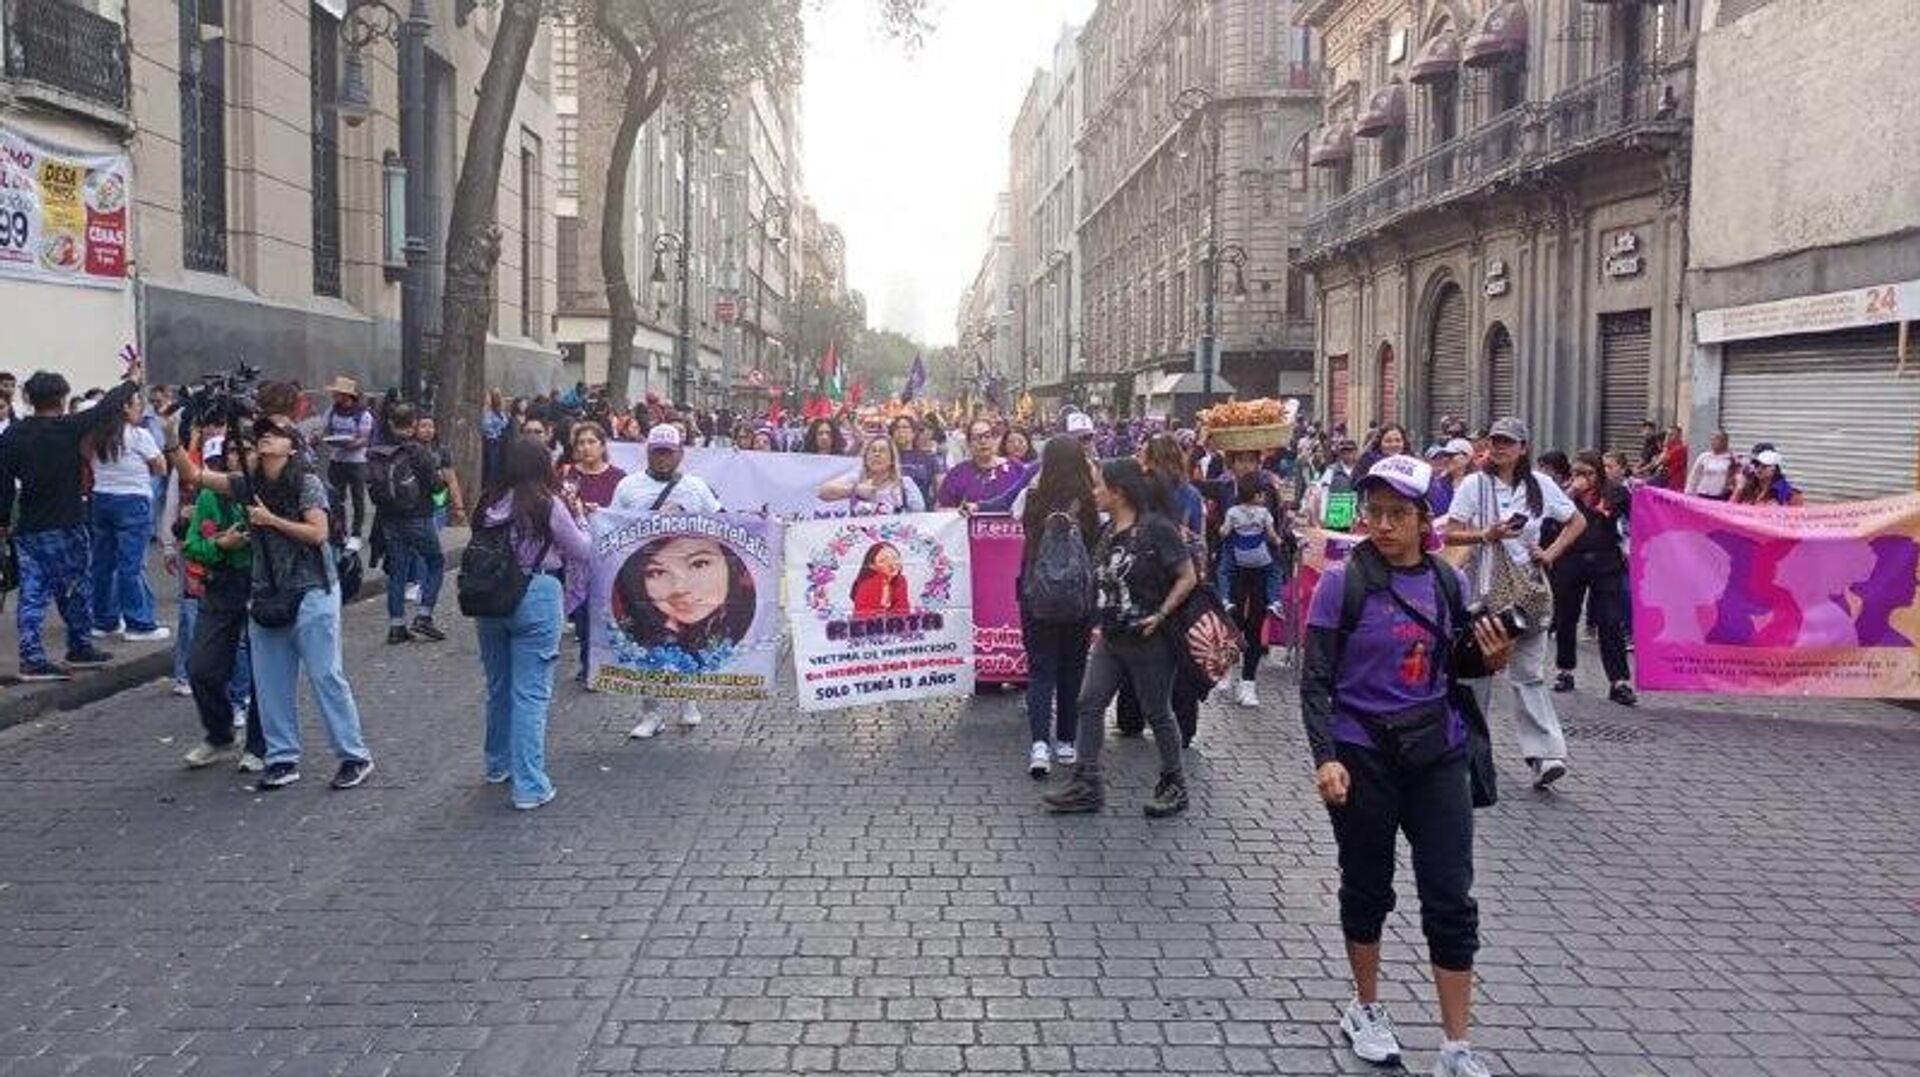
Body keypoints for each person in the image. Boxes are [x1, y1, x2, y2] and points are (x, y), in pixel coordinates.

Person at [1301, 454, 1512, 1077]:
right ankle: (1365, 1007)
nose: (1384, 525)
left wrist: (1491, 660)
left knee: (1450, 896)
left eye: (1399, 514)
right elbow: (1315, 682)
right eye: (1376, 513)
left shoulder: (1448, 584)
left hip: (1437, 752)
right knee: (1368, 886)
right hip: (1363, 752)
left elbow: (1456, 667)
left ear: (1427, 521)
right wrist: (1326, 759)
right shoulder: (1345, 583)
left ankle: (1456, 1046)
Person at [171, 420, 373, 791]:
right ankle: (281, 758)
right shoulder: (246, 484)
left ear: (291, 448)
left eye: (275, 434)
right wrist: (173, 438)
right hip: (266, 595)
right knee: (270, 680)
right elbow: (193, 474)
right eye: (261, 433)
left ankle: (354, 756)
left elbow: (318, 533)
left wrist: (270, 520)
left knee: (325, 675)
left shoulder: (306, 482)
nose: (265, 436)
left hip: (312, 589)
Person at [1041, 457, 1197, 819]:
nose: (1094, 492)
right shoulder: (1110, 529)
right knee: (1089, 702)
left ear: (1118, 492)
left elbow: (1187, 576)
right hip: (1112, 637)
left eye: (1099, 486)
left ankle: (1175, 784)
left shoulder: (1157, 528)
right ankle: (1087, 783)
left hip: (1149, 638)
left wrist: (1161, 614)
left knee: (1157, 712)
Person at [1442, 417, 1585, 789]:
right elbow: (1451, 532)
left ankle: (1545, 755)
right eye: (1495, 441)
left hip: (1529, 594)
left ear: (1523, 448)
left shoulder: (1542, 485)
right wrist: (1486, 535)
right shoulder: (1476, 484)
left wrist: (1549, 552)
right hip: (1486, 594)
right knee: (1477, 677)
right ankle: (1469, 752)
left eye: (1508, 442)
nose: (1500, 447)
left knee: (1530, 675)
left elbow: (1576, 521)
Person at [471, 437, 590, 810]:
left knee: (499, 685)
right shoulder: (546, 503)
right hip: (535, 591)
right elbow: (582, 550)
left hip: (488, 596)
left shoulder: (488, 502)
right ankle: (530, 784)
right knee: (531, 694)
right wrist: (583, 520)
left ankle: (497, 764)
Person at [0, 371, 141, 680]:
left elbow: (4, 483)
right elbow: (109, 406)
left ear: (28, 398)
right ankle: (78, 645)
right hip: (67, 522)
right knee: (76, 587)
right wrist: (132, 379)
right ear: (62, 399)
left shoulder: (12, 435)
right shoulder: (68, 428)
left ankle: (32, 657)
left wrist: (2, 521)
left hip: (29, 524)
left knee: (32, 593)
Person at [610, 423, 724, 739]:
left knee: (687, 637)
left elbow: (723, 521)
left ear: (680, 454)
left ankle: (689, 701)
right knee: (647, 643)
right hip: (640, 581)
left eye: (668, 453)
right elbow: (612, 526)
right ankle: (651, 713)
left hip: (685, 580)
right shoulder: (628, 487)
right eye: (657, 452)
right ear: (647, 452)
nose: (662, 459)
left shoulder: (697, 487)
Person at [179, 432, 265, 772]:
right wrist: (220, 545)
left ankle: (260, 743)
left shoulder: (265, 491)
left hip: (260, 585)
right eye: (232, 450)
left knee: (263, 668)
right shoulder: (209, 497)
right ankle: (220, 734)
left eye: (245, 450)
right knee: (201, 667)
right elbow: (193, 545)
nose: (237, 456)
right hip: (221, 585)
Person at [1016, 435, 1099, 778]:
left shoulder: (1034, 497)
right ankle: (1066, 741)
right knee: (1072, 668)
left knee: (1040, 670)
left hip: (1038, 592)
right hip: (1079, 597)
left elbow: (1017, 518)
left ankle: (1039, 745)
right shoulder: (1091, 502)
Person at [84, 389, 171, 642]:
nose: (140, 409)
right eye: (136, 404)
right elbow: (161, 466)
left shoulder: (95, 436)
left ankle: (104, 620)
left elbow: (87, 457)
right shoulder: (139, 435)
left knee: (102, 563)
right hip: (133, 500)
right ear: (124, 407)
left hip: (101, 498)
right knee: (130, 565)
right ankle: (139, 623)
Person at [1551, 452, 1636, 707]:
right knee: (1566, 617)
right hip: (1571, 560)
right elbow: (1552, 520)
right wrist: (1569, 495)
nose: (1582, 479)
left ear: (1598, 473)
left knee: (1610, 620)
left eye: (1588, 473)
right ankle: (1565, 670)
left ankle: (1618, 681)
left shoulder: (1615, 491)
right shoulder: (1564, 494)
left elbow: (1609, 513)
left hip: (1605, 561)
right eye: (1577, 473)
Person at [372, 404, 449, 645]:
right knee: (436, 561)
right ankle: (424, 616)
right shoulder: (419, 452)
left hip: (389, 520)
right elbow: (437, 486)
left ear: (392, 423)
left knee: (398, 571)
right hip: (419, 516)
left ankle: (396, 626)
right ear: (414, 424)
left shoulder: (379, 451)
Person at [1223, 473, 1285, 707]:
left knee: (1256, 625)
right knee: (1234, 621)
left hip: (1261, 570)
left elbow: (1276, 535)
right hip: (1236, 570)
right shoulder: (1226, 491)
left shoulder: (1270, 504)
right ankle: (1226, 668)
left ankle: (1248, 682)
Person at [321, 377, 374, 551]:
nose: (334, 397)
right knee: (336, 497)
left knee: (358, 498)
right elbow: (326, 431)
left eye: (337, 394)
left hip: (357, 461)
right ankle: (340, 530)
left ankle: (356, 533)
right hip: (337, 460)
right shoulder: (331, 411)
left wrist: (348, 443)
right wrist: (331, 440)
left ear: (347, 395)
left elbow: (364, 438)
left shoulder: (363, 414)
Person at [937, 419, 1031, 513]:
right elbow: (940, 509)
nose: (983, 441)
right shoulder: (957, 474)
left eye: (987, 436)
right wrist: (960, 512)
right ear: (969, 444)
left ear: (995, 439)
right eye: (976, 438)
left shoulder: (1015, 468)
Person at [819, 435, 926, 514]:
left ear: (892, 459)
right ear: (866, 458)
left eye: (882, 451)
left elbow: (919, 518)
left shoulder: (905, 484)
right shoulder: (857, 479)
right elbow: (822, 492)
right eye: (873, 451)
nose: (877, 454)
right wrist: (854, 490)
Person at [1310, 437, 1363, 529]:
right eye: (1344, 452)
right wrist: (1322, 516)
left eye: (1350, 451)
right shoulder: (1332, 470)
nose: (1348, 454)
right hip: (1337, 517)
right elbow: (1324, 493)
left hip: (1357, 518)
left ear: (1355, 452)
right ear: (1340, 454)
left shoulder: (1361, 471)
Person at [849, 542, 912, 616]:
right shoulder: (869, 584)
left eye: (895, 558)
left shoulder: (900, 581)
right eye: (883, 561)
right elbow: (866, 618)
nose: (892, 564)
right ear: (872, 566)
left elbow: (903, 613)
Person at [1733, 448, 1803, 506]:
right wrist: (1739, 488)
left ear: (1775, 469)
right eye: (1757, 464)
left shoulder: (1789, 493)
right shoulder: (1749, 488)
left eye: (1764, 466)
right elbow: (1730, 511)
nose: (1759, 469)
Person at [1685, 430, 1736, 500]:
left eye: (1717, 439)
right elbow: (1694, 476)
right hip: (1702, 494)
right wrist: (1688, 493)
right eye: (1712, 439)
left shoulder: (1731, 459)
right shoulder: (1704, 457)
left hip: (1721, 497)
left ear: (1725, 442)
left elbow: (1734, 481)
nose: (1713, 442)